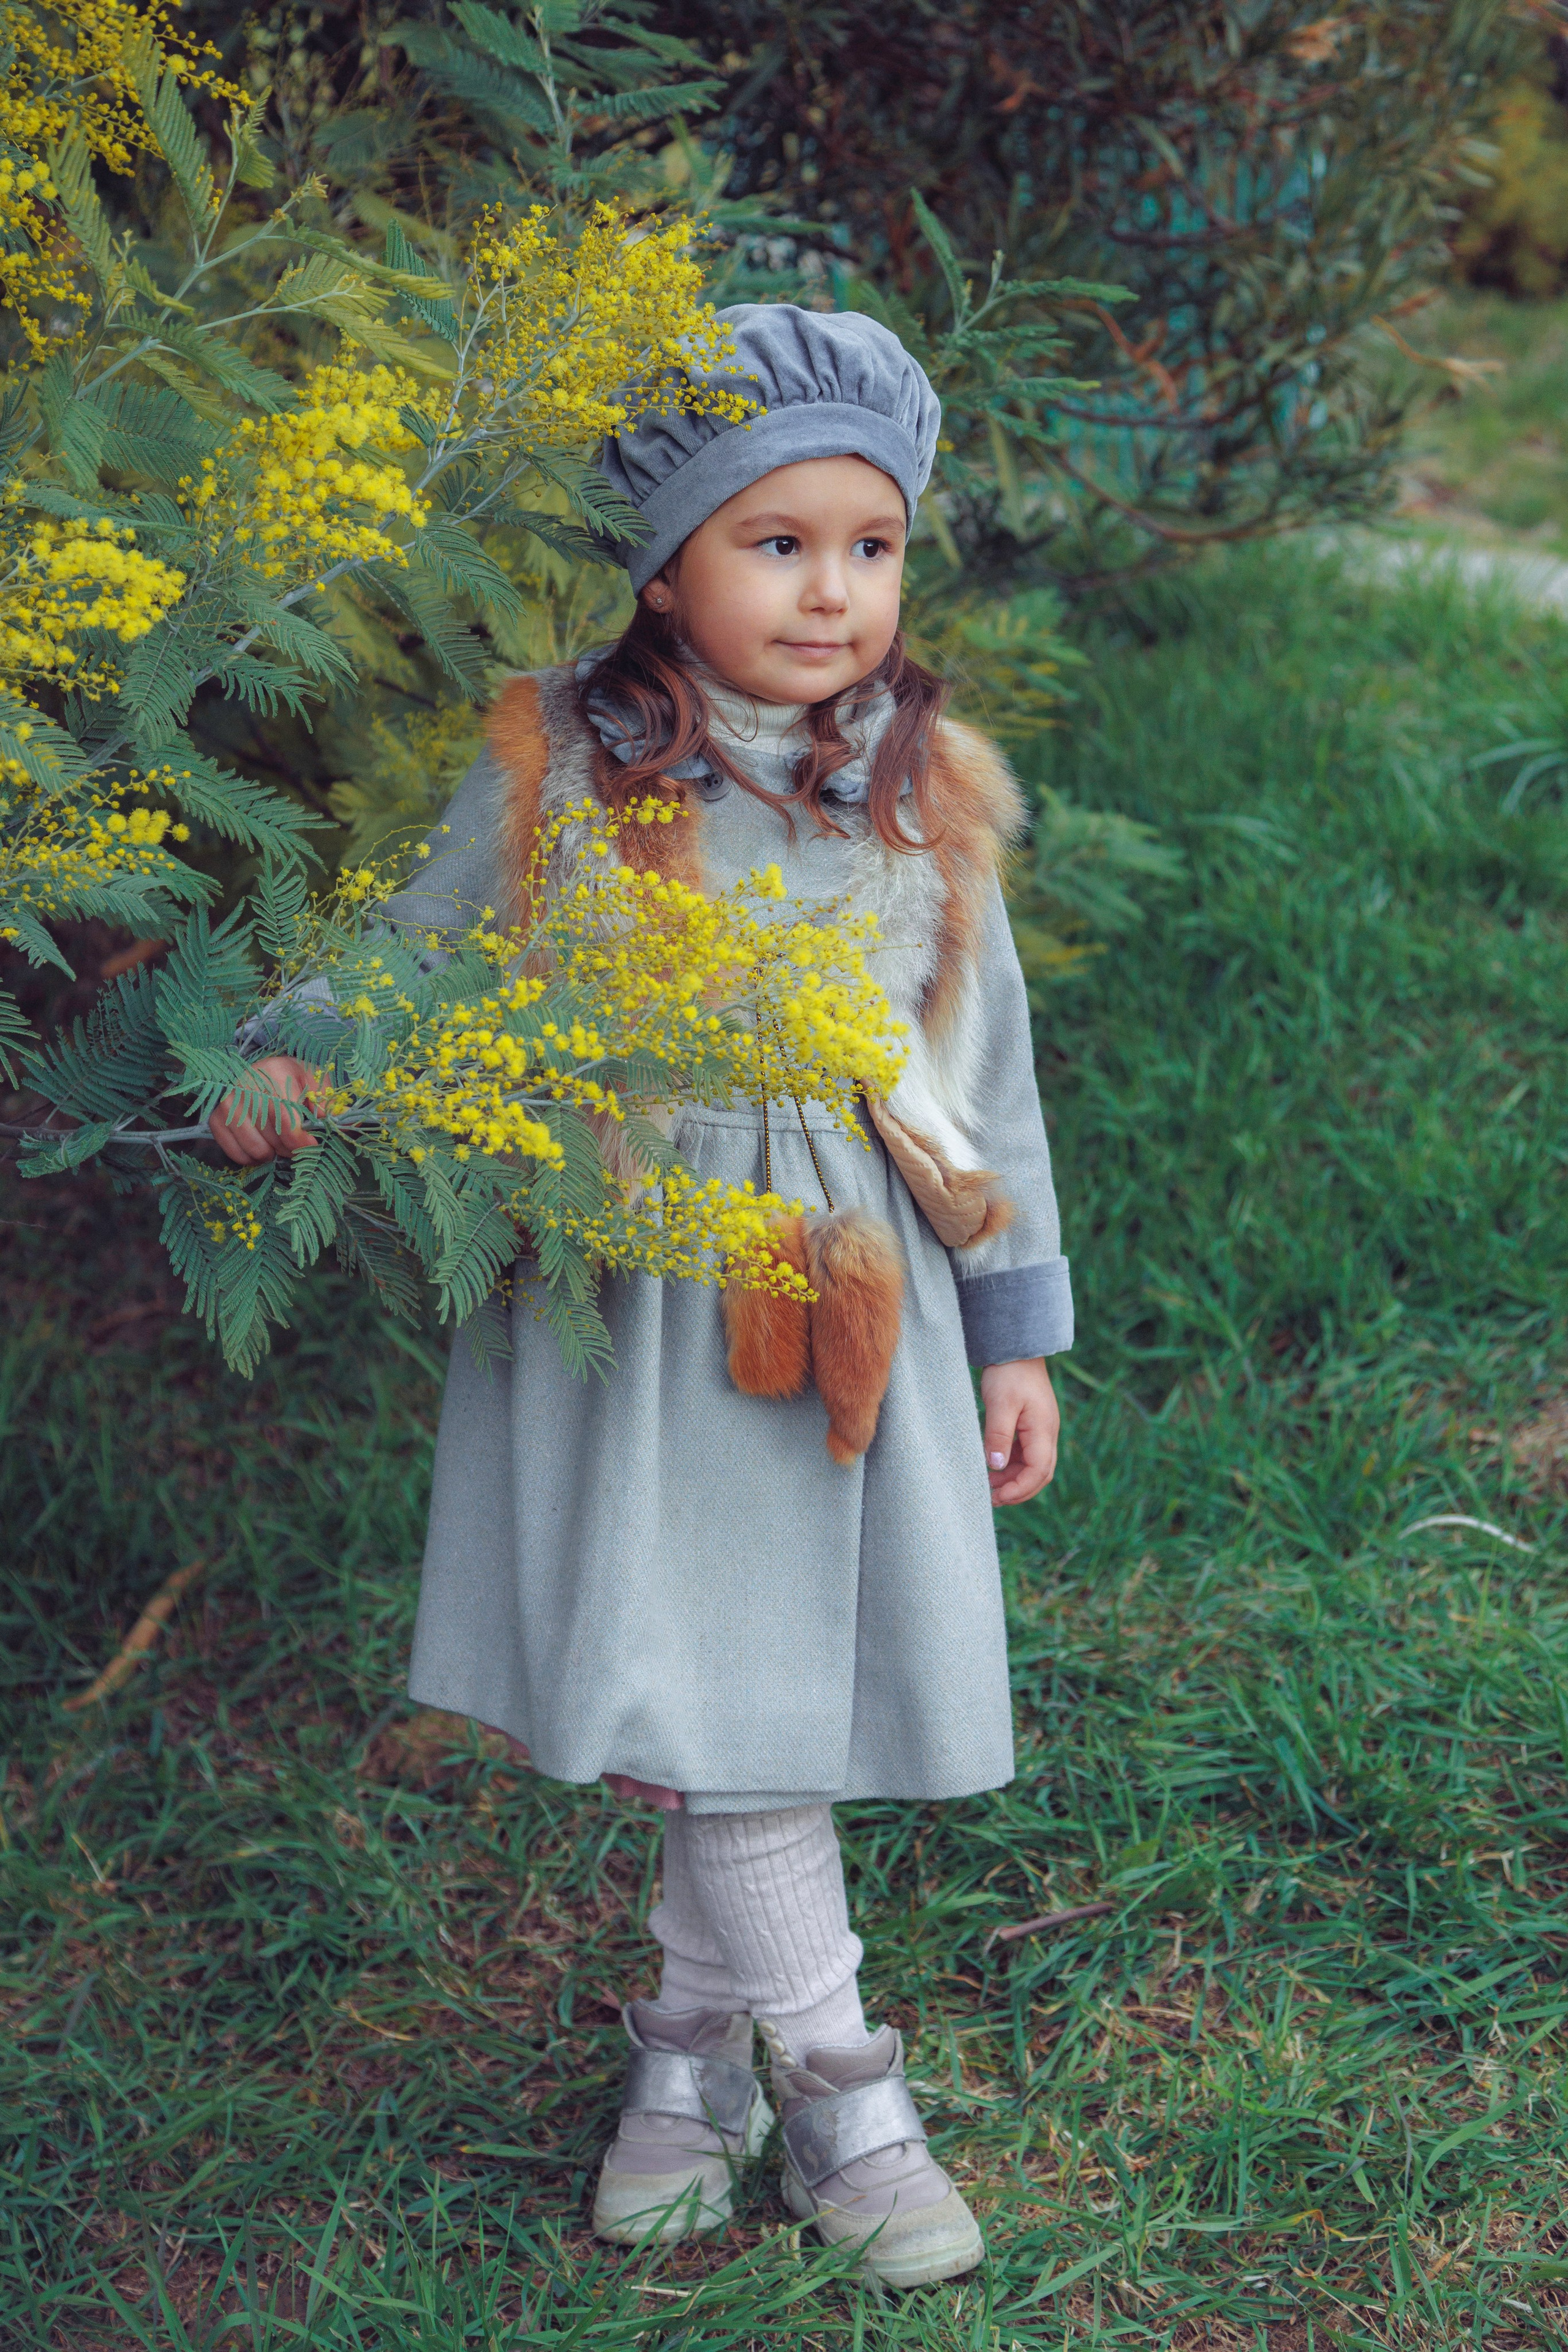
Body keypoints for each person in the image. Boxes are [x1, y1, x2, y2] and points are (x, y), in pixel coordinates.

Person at [211, 304, 1073, 2289]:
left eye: (870, 545)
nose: (832, 590)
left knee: (744, 1694)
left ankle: (691, 2056)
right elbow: (423, 951)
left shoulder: (926, 792)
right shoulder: (564, 766)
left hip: (850, 1288)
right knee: (725, 1693)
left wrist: (1015, 1328)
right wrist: (295, 1052)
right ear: (667, 568)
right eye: (777, 543)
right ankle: (840, 2086)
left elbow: (986, 1079)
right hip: (647, 1280)